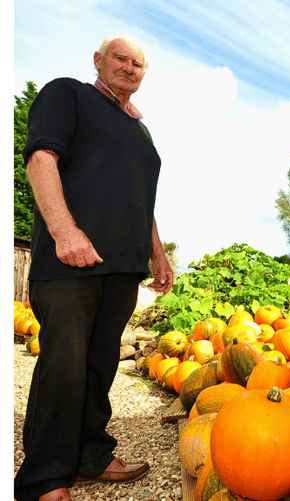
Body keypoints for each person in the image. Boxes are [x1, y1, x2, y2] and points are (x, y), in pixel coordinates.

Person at [14, 34, 174, 501]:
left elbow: (143, 200)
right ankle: (44, 478)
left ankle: (91, 455)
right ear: (99, 61)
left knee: (100, 365)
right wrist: (65, 232)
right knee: (64, 365)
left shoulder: (141, 131)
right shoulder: (68, 93)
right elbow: (41, 158)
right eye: (120, 58)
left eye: (138, 64)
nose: (129, 67)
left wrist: (157, 253)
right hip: (70, 261)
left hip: (122, 267)